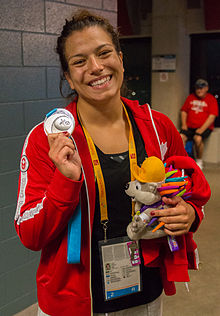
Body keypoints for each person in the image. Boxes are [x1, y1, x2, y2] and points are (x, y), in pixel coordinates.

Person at [14, 10, 211, 316]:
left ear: (120, 58)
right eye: (79, 61)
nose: (95, 67)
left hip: (145, 294)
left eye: (104, 53)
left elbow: (191, 193)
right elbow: (30, 233)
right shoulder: (47, 139)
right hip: (73, 303)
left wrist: (190, 215)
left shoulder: (158, 127)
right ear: (68, 76)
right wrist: (65, 181)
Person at [180, 78, 219, 169]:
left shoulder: (211, 99)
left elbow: (212, 116)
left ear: (206, 88)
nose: (199, 90)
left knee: (197, 138)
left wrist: (201, 129)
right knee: (181, 137)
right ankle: (183, 160)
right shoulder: (191, 97)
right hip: (190, 126)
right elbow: (184, 111)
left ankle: (199, 161)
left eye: (201, 88)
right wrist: (184, 124)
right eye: (197, 88)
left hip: (204, 127)